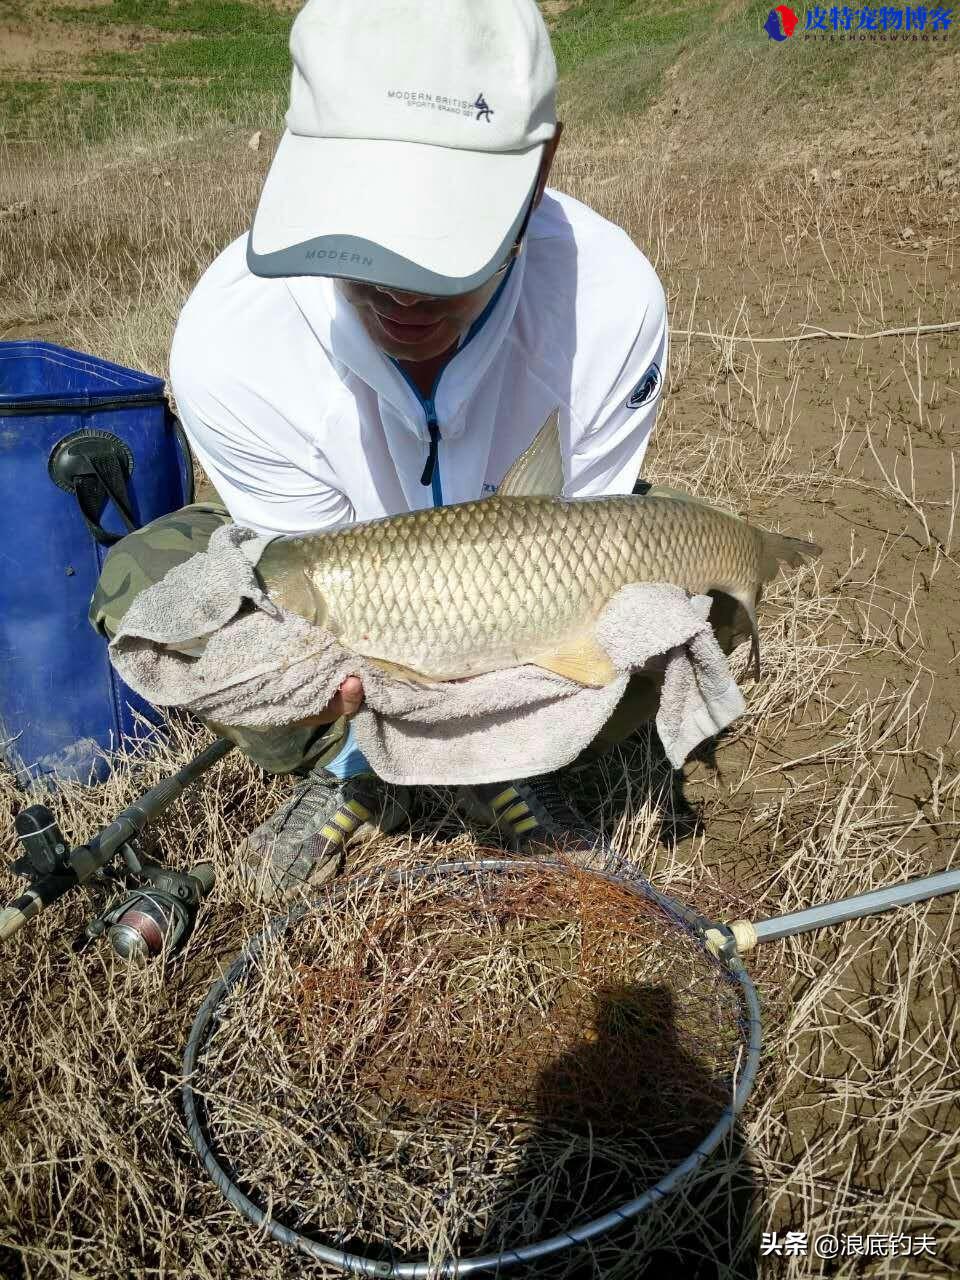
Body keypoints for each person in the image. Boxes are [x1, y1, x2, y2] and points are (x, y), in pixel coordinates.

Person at [90, 0, 670, 902]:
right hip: (357, 576)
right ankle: (356, 771)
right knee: (159, 594)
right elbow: (316, 598)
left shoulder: (612, 303)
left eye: (443, 248)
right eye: (358, 240)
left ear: (542, 164)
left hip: (522, 563)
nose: (399, 292)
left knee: (667, 600)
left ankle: (500, 761)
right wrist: (327, 688)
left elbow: (570, 553)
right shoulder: (229, 337)